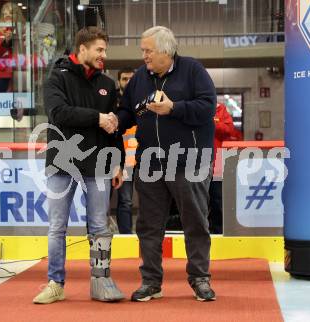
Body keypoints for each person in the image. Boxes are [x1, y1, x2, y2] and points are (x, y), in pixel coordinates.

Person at [117, 26, 217, 302]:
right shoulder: (139, 78)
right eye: (143, 51)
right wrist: (115, 120)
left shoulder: (193, 71)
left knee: (195, 222)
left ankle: (200, 279)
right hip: (149, 163)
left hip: (189, 162)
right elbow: (129, 111)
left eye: (148, 51)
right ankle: (151, 282)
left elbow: (208, 108)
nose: (144, 56)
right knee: (148, 226)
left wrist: (174, 108)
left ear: (165, 50)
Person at [33, 27, 125, 304]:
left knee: (99, 226)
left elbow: (114, 130)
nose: (103, 55)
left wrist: (117, 162)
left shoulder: (108, 84)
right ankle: (55, 283)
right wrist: (97, 118)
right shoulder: (55, 79)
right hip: (62, 163)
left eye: (105, 50)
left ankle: (101, 280)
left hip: (98, 164)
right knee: (57, 227)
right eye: (99, 49)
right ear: (82, 49)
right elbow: (58, 114)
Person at [114, 68, 136, 234]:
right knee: (125, 201)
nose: (127, 82)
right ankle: (126, 235)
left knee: (155, 200)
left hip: (144, 158)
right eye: (124, 79)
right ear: (119, 82)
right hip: (124, 159)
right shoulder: (113, 103)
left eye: (131, 79)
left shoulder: (143, 100)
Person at [209, 102, 235, 234]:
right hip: (193, 162)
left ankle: (218, 232)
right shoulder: (189, 107)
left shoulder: (219, 108)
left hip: (216, 164)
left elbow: (229, 130)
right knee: (195, 202)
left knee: (217, 200)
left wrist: (211, 121)